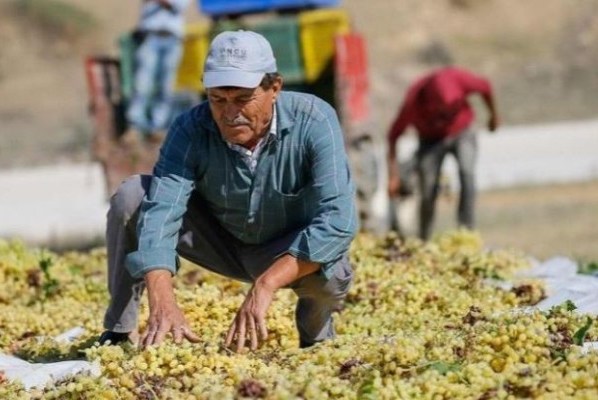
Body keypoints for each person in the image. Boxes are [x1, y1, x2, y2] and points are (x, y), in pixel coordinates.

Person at [99, 30, 358, 352]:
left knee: (331, 271)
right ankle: (119, 333)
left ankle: (315, 339)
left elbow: (338, 222)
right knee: (132, 196)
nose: (229, 113)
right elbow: (161, 214)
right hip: (220, 240)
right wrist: (162, 299)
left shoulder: (314, 120)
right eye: (217, 100)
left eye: (242, 99)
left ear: (274, 88)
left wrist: (266, 285)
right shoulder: (189, 129)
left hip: (284, 249)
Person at [386, 67, 500, 240]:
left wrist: (493, 116)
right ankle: (424, 238)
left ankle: (466, 232)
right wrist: (393, 177)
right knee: (428, 188)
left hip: (462, 132)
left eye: (452, 109)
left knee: (467, 172)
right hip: (431, 140)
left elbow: (486, 87)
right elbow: (393, 136)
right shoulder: (414, 100)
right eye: (442, 110)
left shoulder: (458, 78)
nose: (446, 115)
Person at [126, 0, 192, 146]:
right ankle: (134, 126)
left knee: (166, 87)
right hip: (150, 36)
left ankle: (157, 127)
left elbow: (178, 5)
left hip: (172, 38)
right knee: (142, 84)